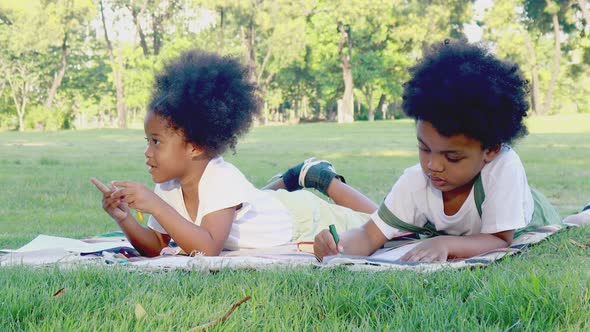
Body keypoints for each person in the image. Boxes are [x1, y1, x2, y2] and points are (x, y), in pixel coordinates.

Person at [91, 49, 371, 257]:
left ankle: (319, 177)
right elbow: (156, 246)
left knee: (381, 225)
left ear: (195, 146)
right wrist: (124, 218)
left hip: (302, 218)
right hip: (266, 205)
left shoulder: (220, 177)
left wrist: (154, 204)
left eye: (156, 142)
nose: (147, 152)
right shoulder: (167, 185)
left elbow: (209, 248)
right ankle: (292, 177)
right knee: (260, 198)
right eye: (147, 141)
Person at [310, 39, 567, 262]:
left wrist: (445, 244)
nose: (433, 165)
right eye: (424, 148)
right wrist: (338, 245)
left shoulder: (504, 167)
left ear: (490, 149)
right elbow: (369, 235)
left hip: (533, 223)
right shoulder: (415, 181)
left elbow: (500, 240)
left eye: (452, 157)